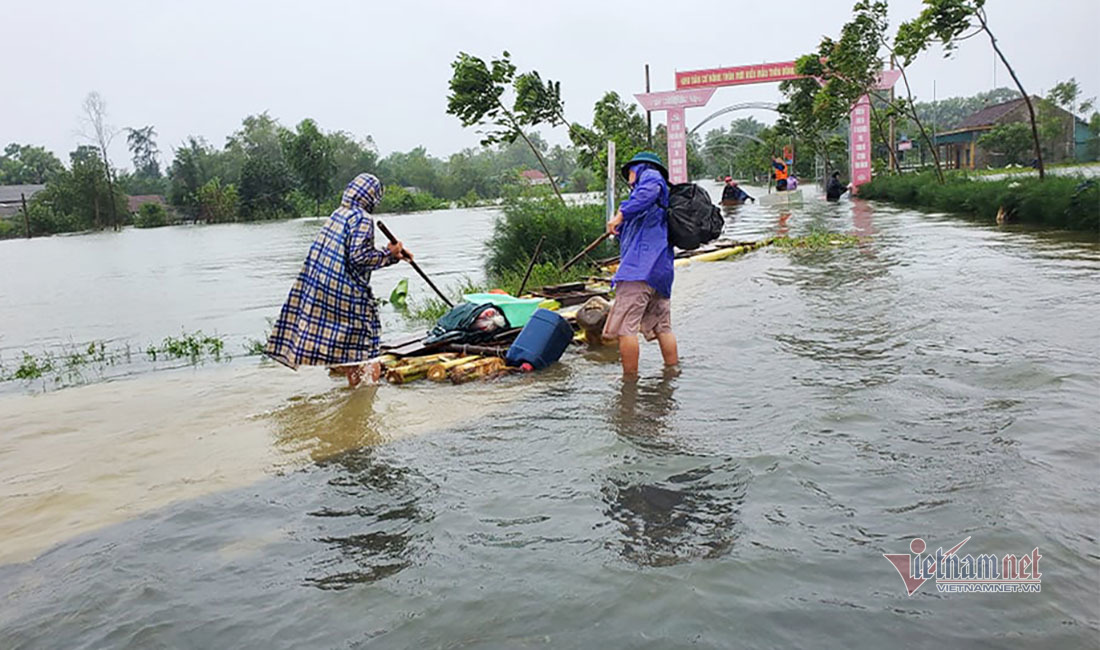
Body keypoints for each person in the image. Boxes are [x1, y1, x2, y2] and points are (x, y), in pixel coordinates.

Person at [265, 173, 412, 387]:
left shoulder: (338, 214)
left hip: (326, 291)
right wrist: (389, 255)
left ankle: (355, 399)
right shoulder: (362, 219)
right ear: (372, 196)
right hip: (348, 295)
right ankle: (365, 397)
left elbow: (350, 253)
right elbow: (360, 258)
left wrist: (392, 254)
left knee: (351, 352)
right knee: (367, 351)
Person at [602, 152, 678, 377]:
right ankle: (673, 374)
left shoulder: (651, 177)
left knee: (626, 328)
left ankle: (629, 385)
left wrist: (620, 214)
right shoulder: (657, 204)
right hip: (661, 273)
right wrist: (620, 226)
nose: (629, 177)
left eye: (630, 172)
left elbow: (646, 192)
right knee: (663, 326)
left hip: (640, 270)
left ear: (639, 167)